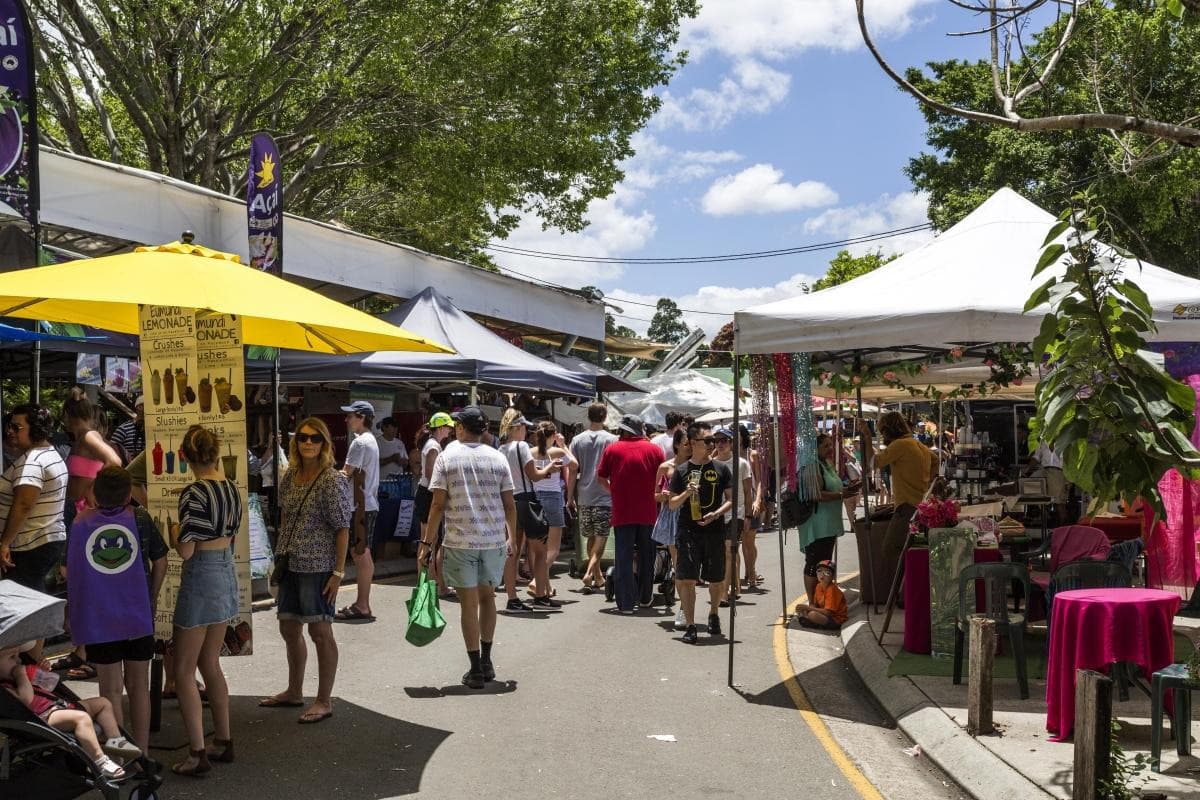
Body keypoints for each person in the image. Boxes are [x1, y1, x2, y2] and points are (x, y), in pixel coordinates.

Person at [67, 466, 167, 754]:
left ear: (95, 493)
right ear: (128, 495)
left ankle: (121, 756)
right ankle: (144, 752)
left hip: (99, 619)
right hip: (137, 615)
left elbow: (68, 569)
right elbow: (160, 560)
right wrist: (152, 595)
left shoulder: (82, 522)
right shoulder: (141, 518)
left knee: (110, 691)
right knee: (139, 687)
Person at [260, 417, 352, 725]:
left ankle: (324, 700)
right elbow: (285, 516)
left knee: (320, 631)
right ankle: (294, 690)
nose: (308, 443)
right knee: (289, 628)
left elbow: (342, 528)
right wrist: (279, 555)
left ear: (325, 444)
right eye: (303, 437)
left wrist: (338, 573)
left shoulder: (332, 479)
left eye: (315, 438)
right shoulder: (290, 476)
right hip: (290, 563)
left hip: (318, 566)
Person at [421, 406, 516, 689]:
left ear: (461, 428)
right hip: (493, 542)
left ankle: (475, 668)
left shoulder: (446, 457)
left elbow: (437, 504)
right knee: (488, 599)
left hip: (459, 541)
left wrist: (427, 541)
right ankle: (487, 661)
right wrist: (511, 538)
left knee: (468, 604)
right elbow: (509, 504)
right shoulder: (498, 458)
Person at [169, 425, 242, 777]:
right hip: (226, 573)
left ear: (185, 456)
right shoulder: (231, 488)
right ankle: (224, 740)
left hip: (201, 576)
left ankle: (197, 752)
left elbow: (185, 551)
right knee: (210, 662)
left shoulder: (193, 493)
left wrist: (172, 532)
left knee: (183, 671)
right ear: (216, 453)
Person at [1, 644, 141, 780]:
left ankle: (116, 744)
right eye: (12, 657)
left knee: (103, 703)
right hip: (44, 717)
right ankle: (100, 761)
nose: (19, 660)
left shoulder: (20, 675)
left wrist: (41, 672)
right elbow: (26, 699)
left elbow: (50, 686)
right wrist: (21, 676)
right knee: (81, 718)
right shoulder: (5, 688)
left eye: (18, 655)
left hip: (60, 706)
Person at [0, 404, 68, 663]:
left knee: (24, 603)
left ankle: (28, 663)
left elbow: (24, 504)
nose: (11, 432)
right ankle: (32, 661)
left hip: (30, 542)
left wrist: (5, 542)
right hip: (45, 538)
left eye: (18, 427)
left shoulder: (32, 462)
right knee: (33, 597)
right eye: (10, 426)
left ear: (36, 430)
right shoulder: (48, 454)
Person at [668, 422, 732, 643]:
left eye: (713, 440)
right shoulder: (682, 470)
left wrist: (716, 514)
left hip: (714, 531)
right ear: (693, 443)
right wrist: (686, 492)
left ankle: (713, 613)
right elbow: (672, 504)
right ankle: (691, 625)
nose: (712, 444)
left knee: (716, 579)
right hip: (688, 531)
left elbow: (731, 500)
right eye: (708, 440)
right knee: (687, 579)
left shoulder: (722, 469)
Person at [597, 414, 666, 615]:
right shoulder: (654, 450)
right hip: (648, 511)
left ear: (623, 430)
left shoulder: (612, 449)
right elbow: (662, 479)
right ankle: (645, 597)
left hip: (623, 511)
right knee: (648, 555)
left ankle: (626, 603)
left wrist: (614, 490)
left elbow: (601, 478)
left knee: (624, 557)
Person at [857, 413, 939, 576]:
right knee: (908, 546)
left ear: (889, 430)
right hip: (920, 505)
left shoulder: (900, 445)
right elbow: (936, 460)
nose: (882, 435)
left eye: (882, 431)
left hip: (907, 506)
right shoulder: (917, 444)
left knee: (891, 548)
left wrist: (867, 436)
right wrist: (928, 481)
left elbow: (873, 463)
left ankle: (906, 582)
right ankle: (908, 583)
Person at [497, 409, 548, 613]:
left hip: (508, 500)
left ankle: (512, 597)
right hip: (526, 500)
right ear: (517, 428)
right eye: (525, 427)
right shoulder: (522, 447)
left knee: (512, 550)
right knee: (540, 550)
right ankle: (540, 595)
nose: (527, 431)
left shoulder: (500, 449)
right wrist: (549, 469)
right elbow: (534, 476)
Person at [798, 433, 859, 600]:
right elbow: (816, 494)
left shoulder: (827, 464)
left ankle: (821, 597)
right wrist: (841, 494)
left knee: (824, 561)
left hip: (828, 523)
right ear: (815, 448)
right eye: (826, 446)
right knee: (814, 562)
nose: (830, 448)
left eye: (831, 445)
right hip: (817, 523)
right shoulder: (812, 465)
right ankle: (812, 601)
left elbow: (834, 486)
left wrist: (847, 489)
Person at [334, 401, 380, 622]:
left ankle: (362, 605)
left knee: (360, 554)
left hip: (359, 507)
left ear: (361, 417)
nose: (346, 419)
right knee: (361, 552)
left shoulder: (360, 443)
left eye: (350, 416)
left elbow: (346, 474)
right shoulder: (370, 441)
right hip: (366, 504)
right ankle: (362, 603)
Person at [568, 403, 617, 593]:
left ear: (588, 417)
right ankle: (590, 573)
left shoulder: (577, 440)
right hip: (605, 493)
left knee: (590, 537)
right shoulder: (613, 440)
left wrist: (570, 496)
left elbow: (572, 471)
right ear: (604, 417)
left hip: (584, 495)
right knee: (602, 537)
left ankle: (598, 576)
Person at [527, 421, 575, 602]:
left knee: (539, 547)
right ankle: (536, 581)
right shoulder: (558, 452)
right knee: (553, 549)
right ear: (553, 435)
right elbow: (575, 465)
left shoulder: (529, 453)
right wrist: (563, 445)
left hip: (535, 497)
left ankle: (545, 587)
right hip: (553, 497)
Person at [62, 387, 123, 518]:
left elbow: (115, 461)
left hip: (84, 509)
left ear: (66, 415)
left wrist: (93, 488)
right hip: (75, 508)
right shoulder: (81, 438)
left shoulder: (88, 436)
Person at [653, 428, 691, 630]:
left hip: (692, 516)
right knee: (679, 565)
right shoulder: (665, 467)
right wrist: (665, 494)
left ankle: (687, 607)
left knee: (690, 567)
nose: (689, 447)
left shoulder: (697, 466)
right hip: (672, 518)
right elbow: (655, 495)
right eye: (686, 443)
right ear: (676, 445)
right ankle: (684, 608)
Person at [415, 412, 456, 598]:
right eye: (448, 426)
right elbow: (432, 474)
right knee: (428, 540)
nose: (450, 429)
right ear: (440, 427)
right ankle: (430, 584)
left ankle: (435, 584)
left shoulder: (434, 444)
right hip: (428, 495)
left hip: (428, 493)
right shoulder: (433, 446)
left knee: (432, 540)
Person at [712, 427, 752, 603]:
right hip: (717, 514)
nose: (720, 444)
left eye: (724, 440)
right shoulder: (711, 464)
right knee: (723, 553)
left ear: (731, 443)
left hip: (737, 513)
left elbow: (747, 492)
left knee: (729, 551)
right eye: (717, 441)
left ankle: (724, 592)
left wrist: (749, 516)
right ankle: (734, 584)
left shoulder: (742, 463)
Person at [738, 424, 766, 588]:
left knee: (749, 542)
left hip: (751, 501)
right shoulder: (725, 454)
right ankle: (749, 572)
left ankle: (751, 572)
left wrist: (757, 500)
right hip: (735, 502)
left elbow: (760, 479)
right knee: (740, 542)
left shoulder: (752, 454)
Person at [793, 559, 848, 630]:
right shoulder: (818, 586)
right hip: (824, 613)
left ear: (833, 577)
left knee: (812, 614)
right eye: (819, 571)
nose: (822, 575)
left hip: (835, 619)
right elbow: (815, 605)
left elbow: (828, 613)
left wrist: (808, 608)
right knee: (802, 610)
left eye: (827, 573)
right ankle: (810, 620)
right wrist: (806, 609)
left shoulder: (832, 589)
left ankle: (814, 622)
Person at [110, 396, 146, 465]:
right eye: (147, 405)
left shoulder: (153, 430)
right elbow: (111, 450)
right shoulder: (123, 429)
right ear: (139, 407)